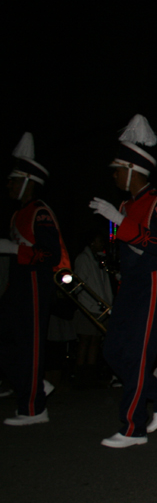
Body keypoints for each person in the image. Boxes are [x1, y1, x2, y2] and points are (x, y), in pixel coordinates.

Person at [89, 114, 157, 448]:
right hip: (129, 285)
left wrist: (119, 222)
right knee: (114, 351)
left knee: (139, 354)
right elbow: (123, 242)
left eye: (118, 168)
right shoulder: (126, 204)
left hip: (154, 285)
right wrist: (116, 227)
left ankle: (133, 428)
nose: (114, 175)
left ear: (132, 169)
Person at [0, 133, 68, 425]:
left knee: (30, 346)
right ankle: (34, 387)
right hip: (16, 287)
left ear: (28, 181)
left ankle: (34, 408)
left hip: (34, 287)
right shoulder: (18, 214)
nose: (9, 185)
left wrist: (15, 249)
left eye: (14, 180)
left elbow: (49, 254)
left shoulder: (40, 212)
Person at [72, 229, 114, 386]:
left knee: (95, 340)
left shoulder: (99, 260)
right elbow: (79, 283)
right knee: (85, 340)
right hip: (88, 306)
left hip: (100, 306)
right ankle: (80, 374)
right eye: (99, 241)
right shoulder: (83, 259)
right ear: (91, 242)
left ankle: (90, 374)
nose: (101, 244)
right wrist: (88, 302)